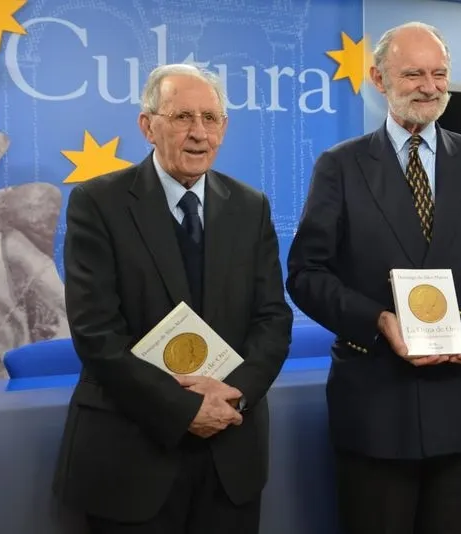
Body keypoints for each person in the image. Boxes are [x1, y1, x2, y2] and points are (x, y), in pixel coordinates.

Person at [285, 21, 461, 534]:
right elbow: (305, 273)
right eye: (413, 73)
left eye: (439, 74)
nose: (430, 87)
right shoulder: (339, 166)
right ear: (378, 78)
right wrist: (377, 320)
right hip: (376, 405)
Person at [53, 63, 293, 534]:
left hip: (230, 453)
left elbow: (272, 318)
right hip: (131, 458)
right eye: (183, 116)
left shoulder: (251, 207)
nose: (199, 132)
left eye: (211, 118)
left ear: (224, 128)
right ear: (148, 126)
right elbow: (96, 332)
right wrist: (184, 410)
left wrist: (236, 392)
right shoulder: (97, 204)